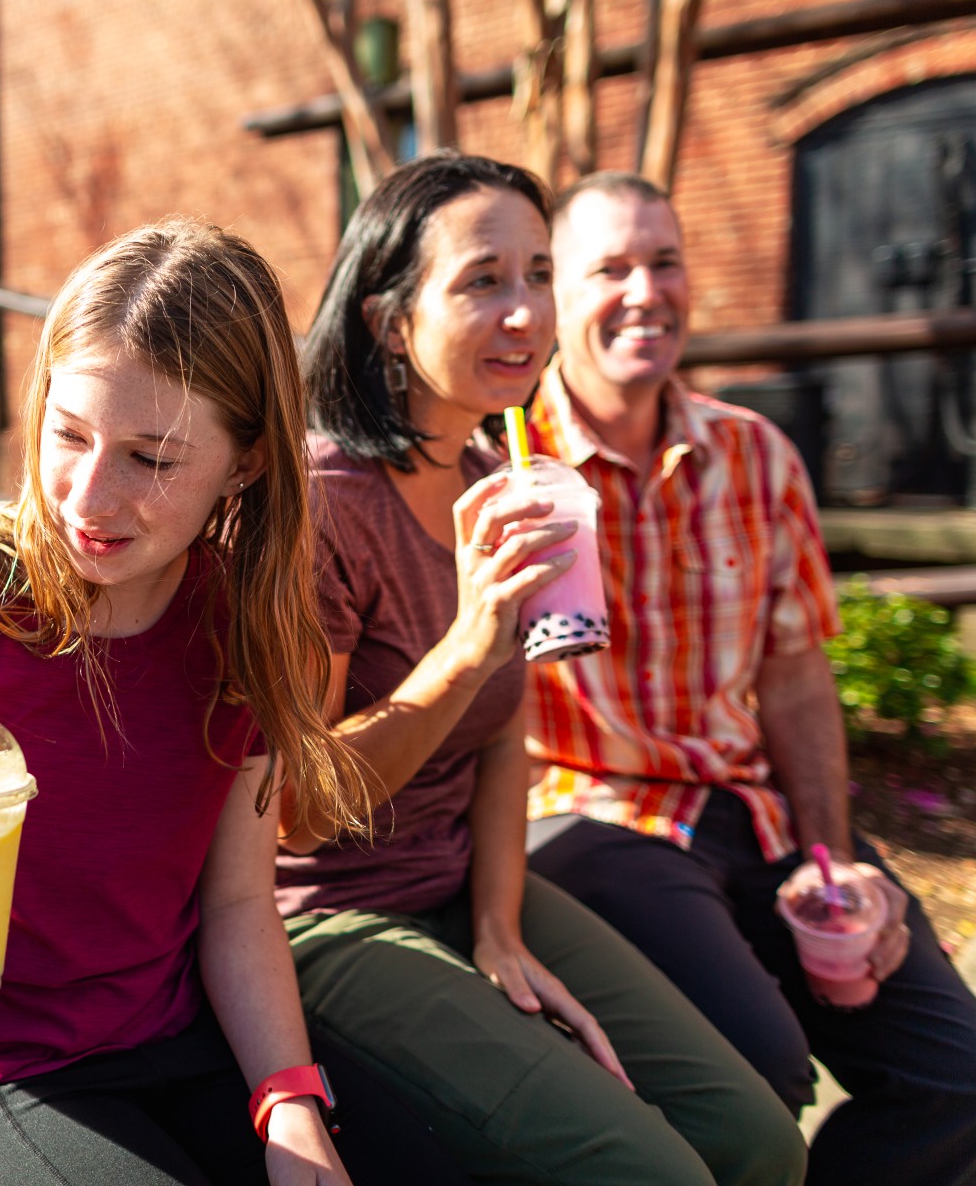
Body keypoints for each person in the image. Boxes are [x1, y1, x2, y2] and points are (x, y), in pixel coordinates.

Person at [0, 221, 365, 1186]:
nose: (89, 495)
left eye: (151, 458)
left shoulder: (243, 625)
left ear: (248, 463)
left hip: (180, 1042)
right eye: (70, 434)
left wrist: (290, 1100)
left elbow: (234, 902)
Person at [281, 152, 806, 1186]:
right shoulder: (324, 502)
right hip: (327, 919)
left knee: (756, 1141)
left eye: (537, 275)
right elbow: (300, 805)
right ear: (390, 318)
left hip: (455, 885)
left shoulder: (500, 476)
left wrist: (499, 923)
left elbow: (502, 741)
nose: (526, 312)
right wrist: (473, 634)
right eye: (483, 280)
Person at [522, 171, 976, 1186]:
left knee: (969, 1078)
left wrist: (833, 854)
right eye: (609, 267)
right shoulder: (500, 459)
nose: (645, 290)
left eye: (665, 260)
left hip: (748, 812)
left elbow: (795, 675)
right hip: (588, 813)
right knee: (760, 1068)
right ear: (554, 295)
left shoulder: (756, 453)